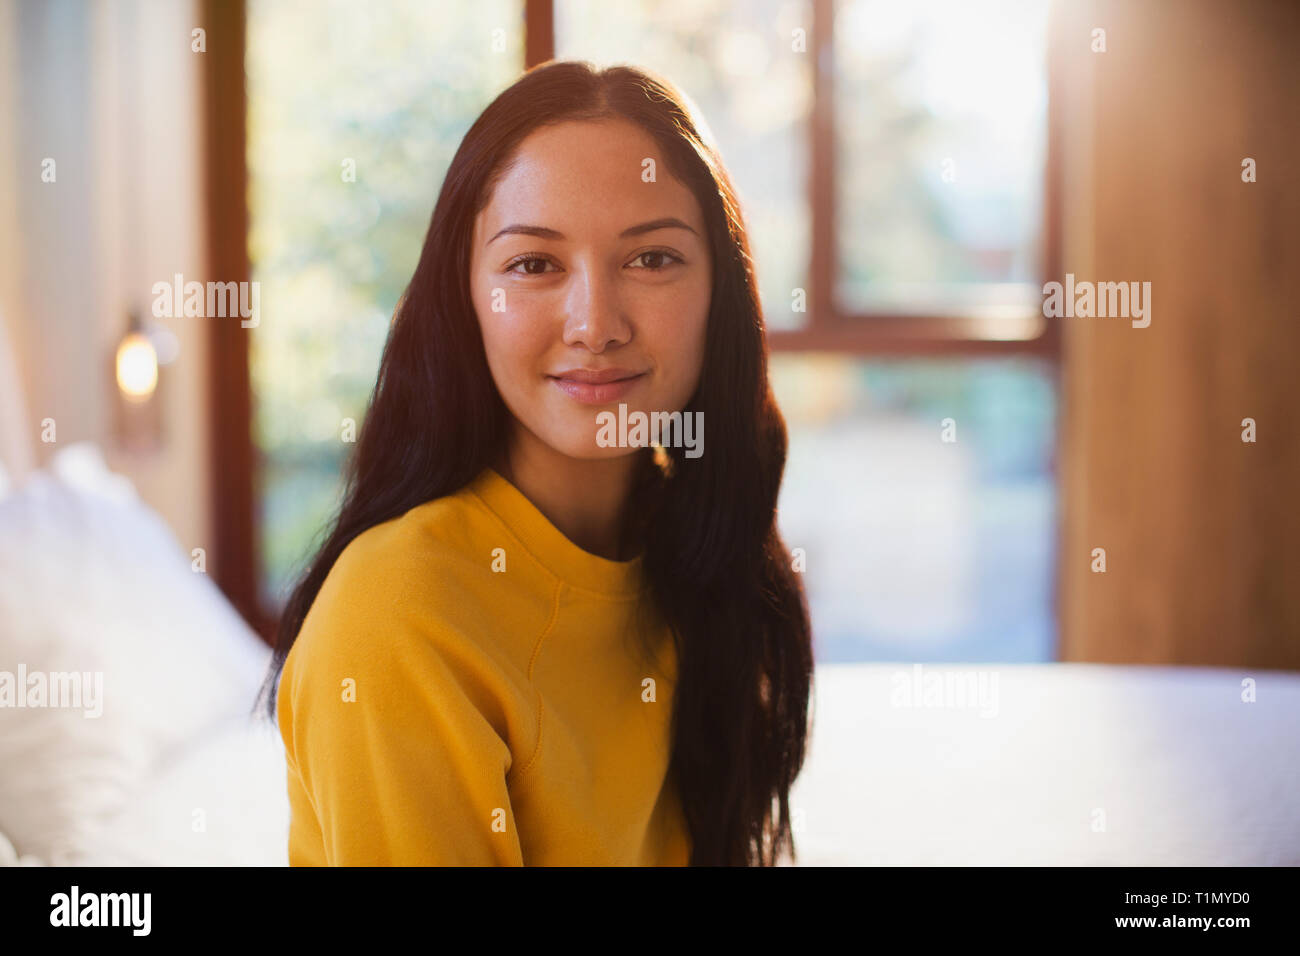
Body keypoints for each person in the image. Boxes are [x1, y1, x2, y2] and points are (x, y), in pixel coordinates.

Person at [259, 60, 814, 866]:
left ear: (720, 290)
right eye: (534, 264)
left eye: (651, 258)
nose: (594, 324)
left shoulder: (696, 543)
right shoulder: (398, 615)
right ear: (464, 295)